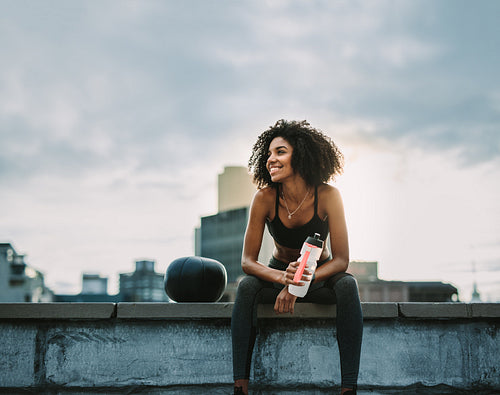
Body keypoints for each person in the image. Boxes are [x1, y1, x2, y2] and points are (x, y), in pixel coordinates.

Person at [231, 120, 363, 395]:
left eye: (280, 152)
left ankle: (348, 387)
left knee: (348, 284)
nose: (271, 160)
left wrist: (301, 281)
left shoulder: (328, 196)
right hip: (279, 272)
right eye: (268, 154)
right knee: (246, 286)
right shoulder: (265, 198)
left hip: (320, 276)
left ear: (300, 156)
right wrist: (284, 279)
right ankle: (240, 385)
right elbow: (247, 261)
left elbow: (341, 260)